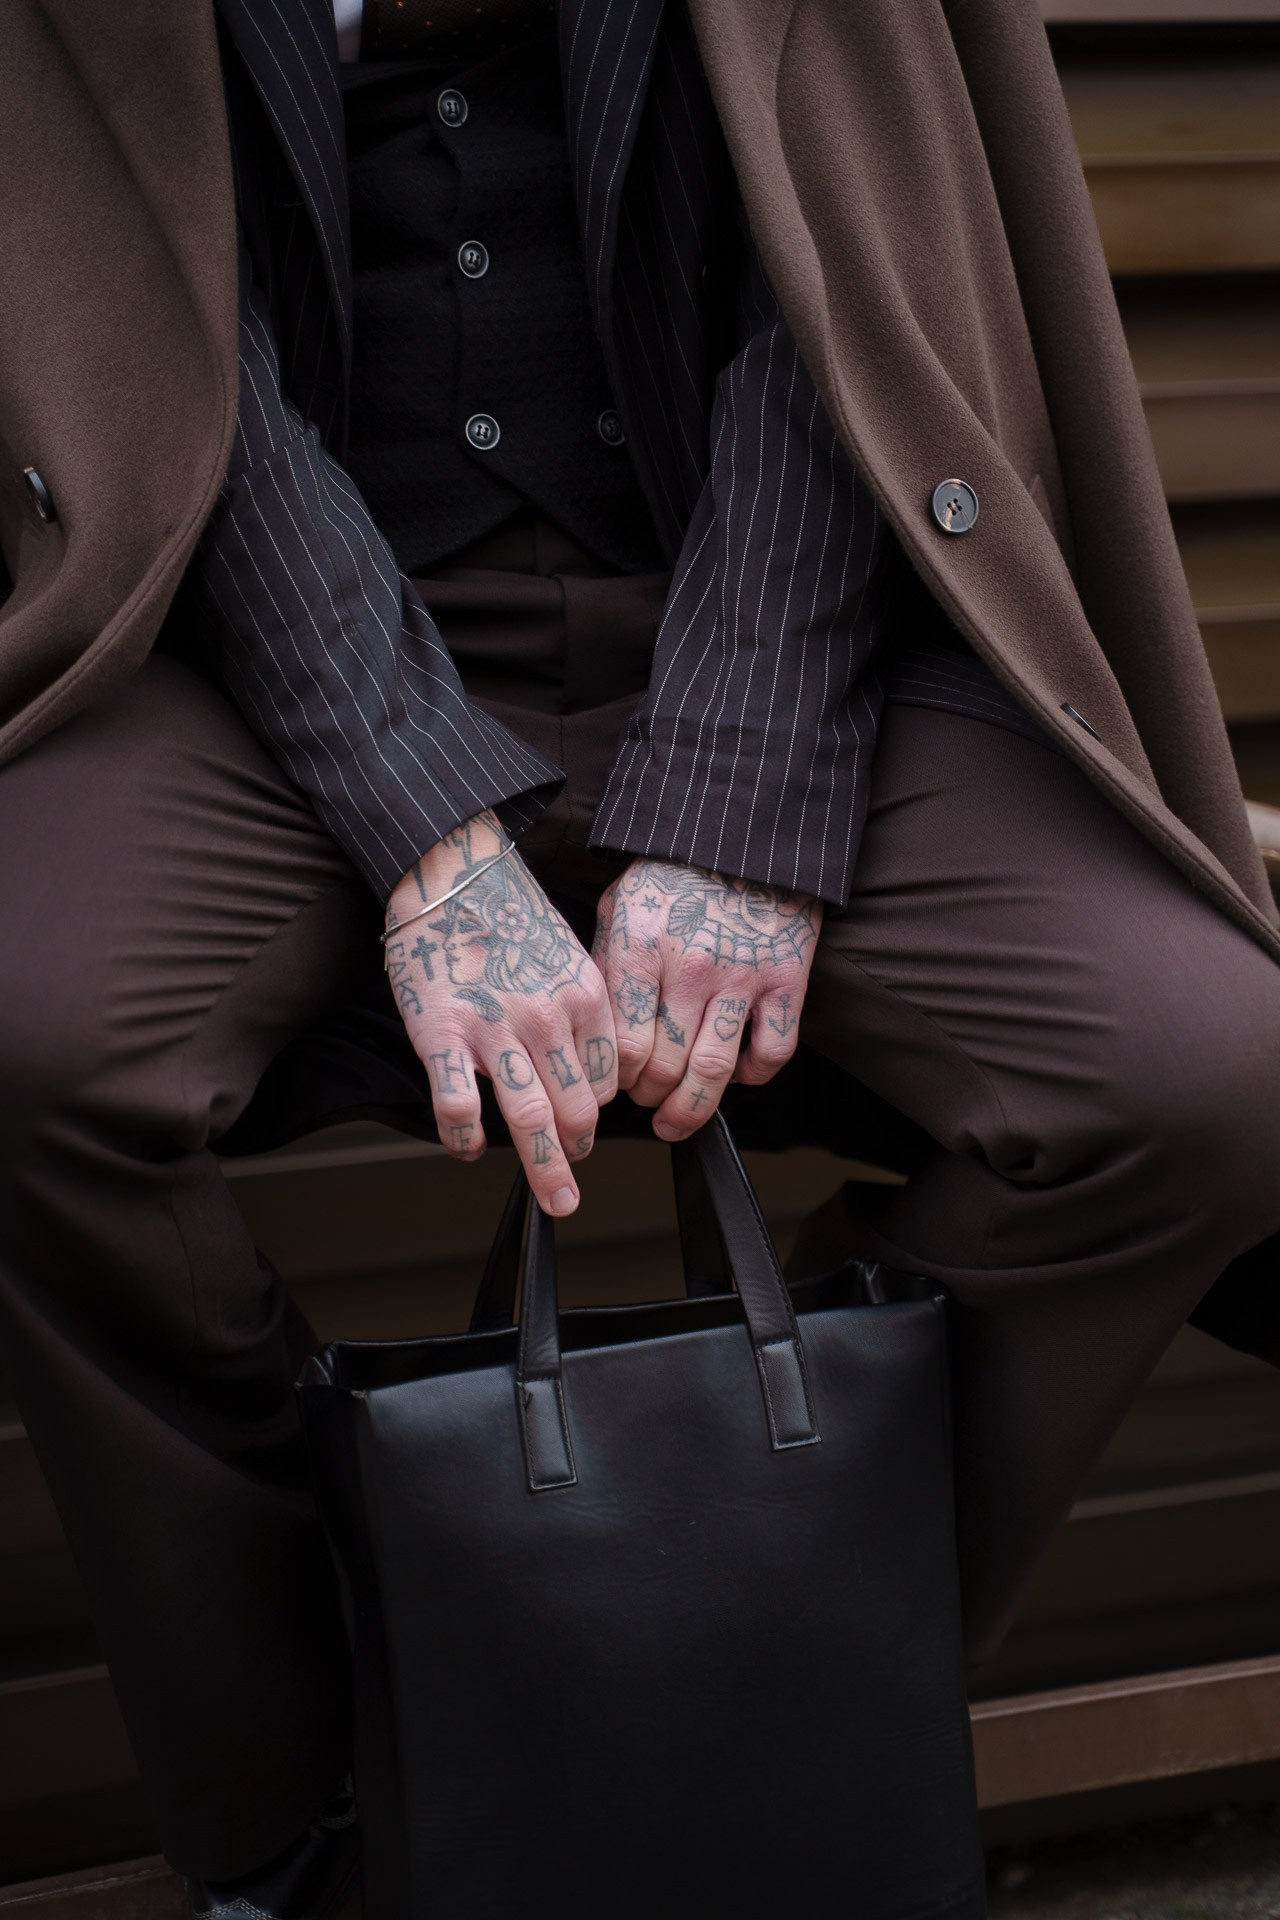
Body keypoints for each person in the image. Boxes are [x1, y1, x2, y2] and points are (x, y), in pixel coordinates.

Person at [2, 1, 1278, 1913]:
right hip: (252, 654)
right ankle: (317, 1829)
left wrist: (745, 778)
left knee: (1201, 1070)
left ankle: (731, 1707)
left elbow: (847, 271)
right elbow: (146, 331)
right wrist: (417, 809)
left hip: (757, 611)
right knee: (30, 1036)